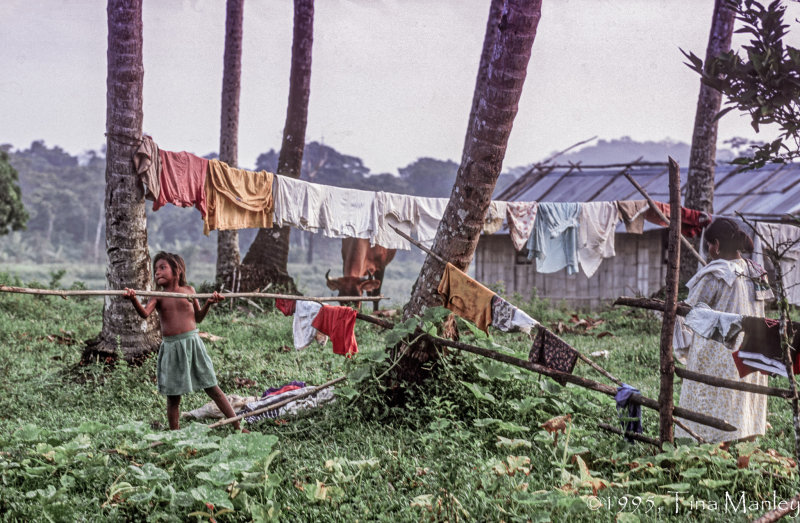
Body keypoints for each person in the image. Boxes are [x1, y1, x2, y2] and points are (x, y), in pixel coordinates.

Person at [124, 252, 247, 432]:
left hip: (193, 344)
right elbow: (144, 314)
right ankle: (175, 433)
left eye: (162, 268)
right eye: (156, 269)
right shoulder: (158, 296)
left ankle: (237, 426)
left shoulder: (189, 291)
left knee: (212, 387)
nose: (157, 272)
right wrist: (133, 299)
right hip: (172, 347)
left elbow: (198, 317)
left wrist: (209, 303)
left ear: (178, 271)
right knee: (173, 396)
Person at [676, 218, 772, 445]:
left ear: (717, 245)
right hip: (750, 349)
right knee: (742, 400)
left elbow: (690, 310)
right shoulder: (756, 272)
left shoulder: (715, 274)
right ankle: (742, 445)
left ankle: (714, 445)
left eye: (709, 244)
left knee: (714, 399)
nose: (708, 250)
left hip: (719, 352)